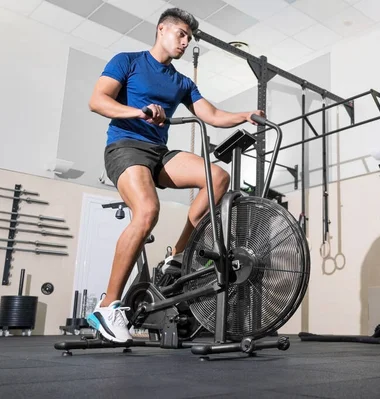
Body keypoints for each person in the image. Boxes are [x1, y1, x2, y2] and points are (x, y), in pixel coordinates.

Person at [85, 7, 264, 343]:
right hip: (126, 145)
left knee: (217, 177)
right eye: (181, 34)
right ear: (161, 30)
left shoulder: (181, 81)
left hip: (158, 153)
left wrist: (244, 115)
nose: (185, 42)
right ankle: (107, 306)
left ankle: (178, 255)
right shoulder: (128, 61)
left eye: (188, 37)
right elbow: (97, 100)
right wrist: (138, 111)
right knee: (148, 212)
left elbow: (210, 114)